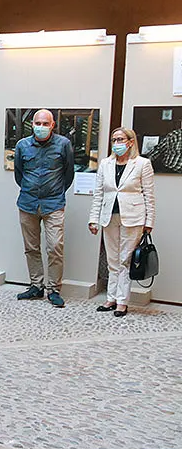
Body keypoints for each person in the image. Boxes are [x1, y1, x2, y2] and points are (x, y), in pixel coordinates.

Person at [89, 128, 156, 317]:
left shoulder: (142, 164)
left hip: (133, 218)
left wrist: (149, 221)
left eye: (120, 139)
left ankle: (122, 302)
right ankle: (110, 299)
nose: (117, 143)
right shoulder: (105, 163)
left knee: (125, 260)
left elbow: (149, 196)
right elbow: (99, 194)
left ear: (130, 142)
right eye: (114, 140)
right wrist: (93, 219)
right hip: (109, 217)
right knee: (112, 260)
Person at [13, 109, 75, 308]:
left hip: (53, 204)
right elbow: (19, 174)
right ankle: (36, 285)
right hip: (27, 203)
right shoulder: (22, 145)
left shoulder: (63, 144)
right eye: (38, 123)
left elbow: (68, 174)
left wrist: (55, 191)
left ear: (52, 125)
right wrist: (31, 189)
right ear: (32, 124)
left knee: (55, 247)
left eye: (45, 123)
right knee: (31, 248)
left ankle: (54, 289)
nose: (41, 127)